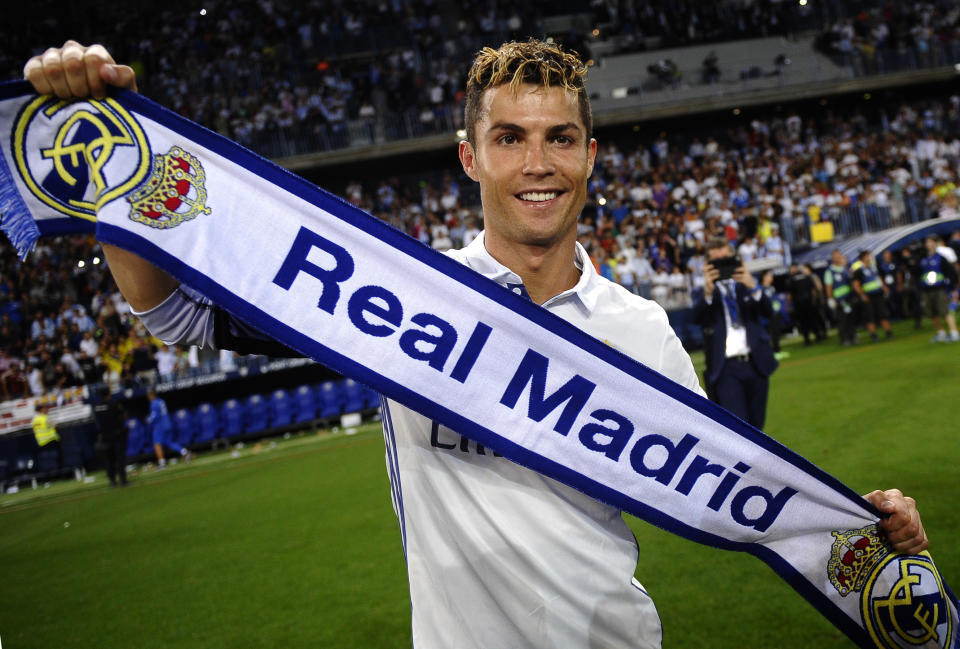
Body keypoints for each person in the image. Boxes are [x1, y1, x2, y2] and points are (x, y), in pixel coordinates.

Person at [25, 39, 930, 649]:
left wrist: (863, 523)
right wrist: (114, 158)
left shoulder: (640, 330)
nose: (538, 163)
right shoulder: (395, 295)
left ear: (589, 153)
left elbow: (734, 489)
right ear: (470, 157)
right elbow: (180, 316)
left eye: (559, 138)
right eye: (510, 138)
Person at [692, 238, 778, 429]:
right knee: (739, 429)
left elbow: (768, 311)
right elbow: (697, 317)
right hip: (726, 368)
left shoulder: (745, 285)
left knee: (757, 428)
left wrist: (753, 286)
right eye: (717, 262)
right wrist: (708, 291)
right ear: (707, 265)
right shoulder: (703, 292)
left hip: (756, 363)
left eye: (727, 259)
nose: (724, 265)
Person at [919, 235, 960, 342]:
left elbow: (951, 273)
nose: (929, 245)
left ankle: (954, 332)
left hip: (940, 289)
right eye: (927, 242)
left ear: (935, 244)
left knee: (945, 311)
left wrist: (952, 288)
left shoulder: (941, 258)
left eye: (931, 242)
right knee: (931, 313)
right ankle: (941, 332)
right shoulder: (923, 259)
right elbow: (919, 274)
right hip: (927, 290)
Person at [850, 250, 893, 342]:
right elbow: (856, 285)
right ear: (862, 259)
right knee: (870, 316)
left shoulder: (874, 268)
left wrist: (884, 287)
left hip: (878, 294)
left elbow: (879, 278)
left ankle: (888, 332)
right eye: (867, 256)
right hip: (868, 297)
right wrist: (862, 295)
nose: (869, 258)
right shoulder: (859, 271)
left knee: (883, 313)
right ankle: (873, 335)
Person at [93, 388, 129, 486]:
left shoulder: (97, 407)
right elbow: (123, 415)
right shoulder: (114, 405)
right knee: (119, 458)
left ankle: (112, 480)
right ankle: (123, 480)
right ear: (109, 394)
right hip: (116, 435)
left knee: (109, 460)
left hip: (105, 437)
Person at [146, 389, 189, 468]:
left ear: (151, 395)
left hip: (160, 426)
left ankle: (162, 464)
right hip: (168, 423)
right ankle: (184, 452)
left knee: (157, 444)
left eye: (148, 396)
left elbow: (155, 416)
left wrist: (148, 420)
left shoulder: (154, 403)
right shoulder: (161, 401)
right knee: (169, 442)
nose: (148, 398)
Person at [824, 249, 856, 346]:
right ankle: (844, 339)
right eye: (836, 256)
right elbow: (828, 286)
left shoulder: (845, 269)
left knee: (850, 317)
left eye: (839, 256)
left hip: (848, 297)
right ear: (833, 258)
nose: (838, 258)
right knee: (842, 319)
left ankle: (853, 336)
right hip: (839, 299)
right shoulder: (830, 271)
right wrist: (830, 299)